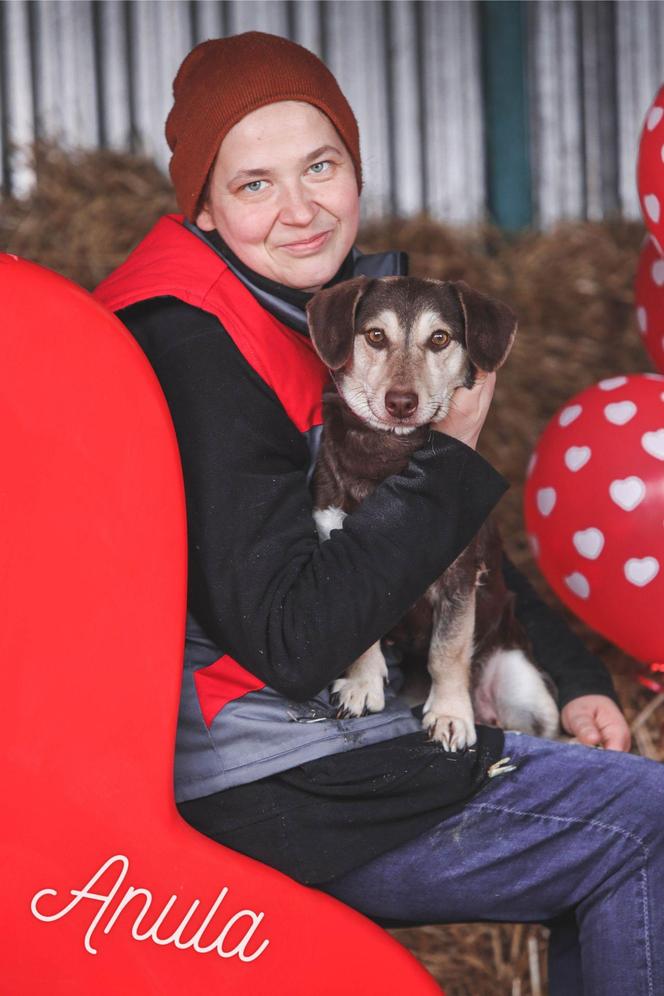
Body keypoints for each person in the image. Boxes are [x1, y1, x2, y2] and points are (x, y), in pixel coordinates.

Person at [94, 32, 664, 995]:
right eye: (254, 184)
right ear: (199, 206)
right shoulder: (192, 347)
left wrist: (567, 678)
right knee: (641, 827)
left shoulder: (316, 306)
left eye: (321, 166)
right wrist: (446, 456)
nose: (302, 208)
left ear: (355, 163)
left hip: (328, 753)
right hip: (267, 784)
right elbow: (293, 635)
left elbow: (431, 537)